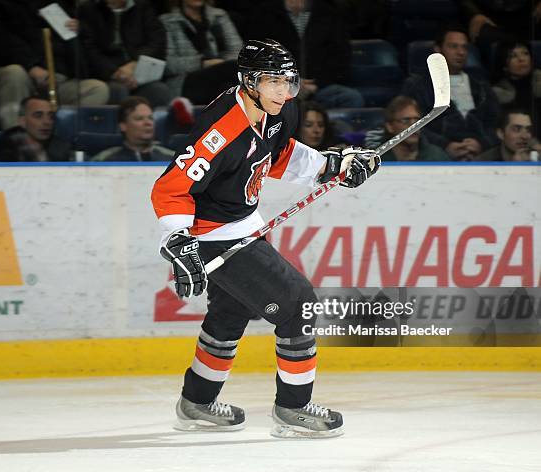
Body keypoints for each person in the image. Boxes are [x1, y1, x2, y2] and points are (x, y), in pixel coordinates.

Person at [150, 39, 380, 437]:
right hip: (213, 237)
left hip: (240, 225)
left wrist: (332, 164)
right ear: (248, 82)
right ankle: (295, 407)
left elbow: (276, 154)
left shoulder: (274, 110)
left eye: (287, 82)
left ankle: (197, 401)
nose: (282, 91)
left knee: (231, 311)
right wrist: (177, 239)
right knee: (298, 304)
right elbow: (170, 188)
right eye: (273, 82)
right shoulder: (221, 130)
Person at [0, 0, 110, 130]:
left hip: (56, 78)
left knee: (97, 88)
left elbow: (78, 54)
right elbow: (2, 42)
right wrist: (31, 66)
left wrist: (79, 31)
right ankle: (16, 138)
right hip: (14, 71)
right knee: (15, 73)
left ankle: (60, 141)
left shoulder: (58, 4)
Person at [402, 24, 501, 160]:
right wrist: (445, 146)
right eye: (454, 46)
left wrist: (481, 143)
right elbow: (409, 125)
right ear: (438, 50)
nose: (461, 52)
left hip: (482, 153)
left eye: (464, 47)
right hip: (436, 154)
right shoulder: (417, 85)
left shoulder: (481, 86)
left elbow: (496, 123)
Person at [246, 0, 364, 109]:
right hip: (278, 86)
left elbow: (341, 57)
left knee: (351, 97)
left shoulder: (328, 13)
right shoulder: (265, 14)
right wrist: (289, 82)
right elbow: (256, 56)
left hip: (319, 87)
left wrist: (316, 84)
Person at [79, 0, 172, 107]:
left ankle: (145, 122)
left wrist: (135, 64)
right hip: (106, 76)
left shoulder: (143, 7)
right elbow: (88, 50)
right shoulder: (88, 10)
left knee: (159, 91)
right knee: (118, 91)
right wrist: (115, 72)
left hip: (138, 72)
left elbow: (157, 43)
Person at [159, 0, 242, 104]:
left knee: (229, 87)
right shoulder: (167, 21)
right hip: (185, 81)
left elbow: (237, 51)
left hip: (226, 72)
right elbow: (168, 64)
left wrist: (220, 63)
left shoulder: (219, 16)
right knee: (234, 74)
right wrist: (202, 63)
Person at [364, 96, 450, 162]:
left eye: (417, 120)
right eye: (405, 120)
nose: (414, 126)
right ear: (390, 127)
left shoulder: (437, 156)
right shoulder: (374, 159)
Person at [93, 96, 174, 161]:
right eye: (139, 118)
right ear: (123, 126)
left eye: (150, 118)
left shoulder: (173, 160)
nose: (148, 123)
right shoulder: (105, 160)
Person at [0, 95, 71, 162]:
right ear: (22, 121)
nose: (47, 122)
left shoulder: (61, 148)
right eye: (38, 116)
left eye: (51, 116)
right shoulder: (5, 149)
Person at [492, 41, 541, 136]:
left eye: (525, 53)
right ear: (504, 66)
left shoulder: (538, 84)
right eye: (513, 56)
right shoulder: (499, 93)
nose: (521, 59)